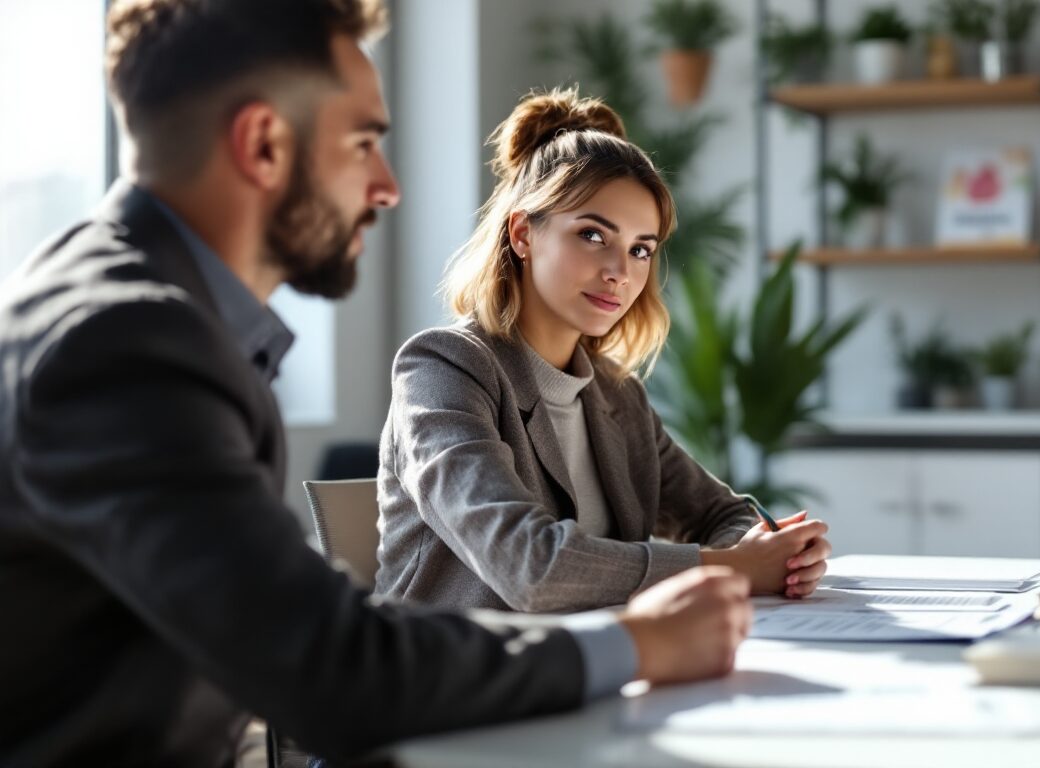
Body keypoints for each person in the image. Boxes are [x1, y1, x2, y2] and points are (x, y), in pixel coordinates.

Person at [0, 1, 751, 765]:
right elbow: (329, 661)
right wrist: (633, 645)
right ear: (263, 144)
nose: (387, 187)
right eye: (364, 144)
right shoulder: (124, 345)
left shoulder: (161, 322)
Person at [374, 89, 833, 615]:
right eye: (593, 235)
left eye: (641, 249)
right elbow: (531, 568)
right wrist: (738, 566)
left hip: (596, 668)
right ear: (523, 233)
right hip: (452, 680)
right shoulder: (443, 368)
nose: (620, 271)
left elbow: (724, 515)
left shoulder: (617, 396)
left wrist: (779, 554)